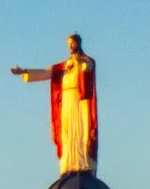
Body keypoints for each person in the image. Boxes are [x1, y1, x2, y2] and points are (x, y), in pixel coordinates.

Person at [10, 34, 98, 176]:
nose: (70, 46)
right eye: (68, 44)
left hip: (80, 102)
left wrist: (82, 62)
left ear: (78, 44)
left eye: (72, 43)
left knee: (81, 129)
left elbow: (88, 67)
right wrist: (23, 71)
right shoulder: (62, 67)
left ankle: (83, 162)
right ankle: (69, 163)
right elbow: (45, 72)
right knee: (66, 132)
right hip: (66, 101)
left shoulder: (86, 61)